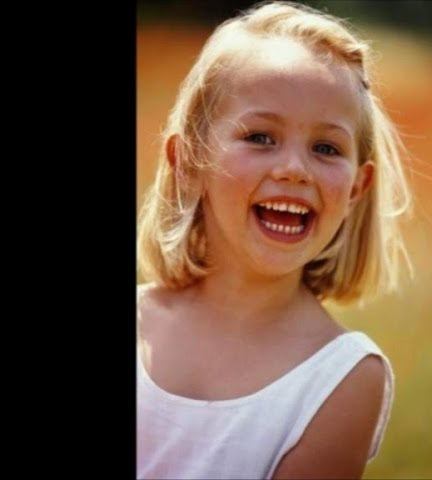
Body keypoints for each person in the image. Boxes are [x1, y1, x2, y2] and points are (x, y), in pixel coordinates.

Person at [137, 2, 412, 478]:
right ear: (188, 162)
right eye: (261, 137)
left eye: (326, 148)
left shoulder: (343, 378)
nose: (294, 169)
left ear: (356, 188)